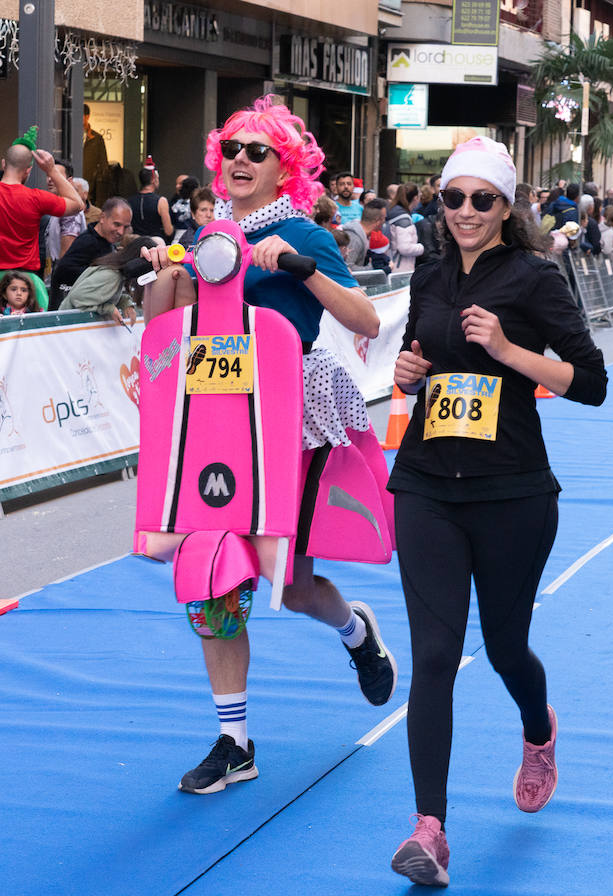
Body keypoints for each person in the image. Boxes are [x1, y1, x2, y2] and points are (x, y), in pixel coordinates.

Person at [136, 94, 394, 796]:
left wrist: (302, 269)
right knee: (213, 581)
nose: (241, 160)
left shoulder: (305, 235)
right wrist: (168, 272)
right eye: (233, 149)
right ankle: (234, 742)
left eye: (259, 151)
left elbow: (366, 315)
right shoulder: (206, 235)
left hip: (285, 429)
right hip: (213, 427)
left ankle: (355, 633)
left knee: (298, 583)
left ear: (286, 168)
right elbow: (160, 328)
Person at [386, 137, 608, 888]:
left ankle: (538, 728)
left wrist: (509, 349)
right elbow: (424, 363)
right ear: (439, 204)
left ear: (507, 208)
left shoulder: (535, 278)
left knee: (506, 647)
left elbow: (592, 381)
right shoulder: (431, 276)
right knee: (434, 655)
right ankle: (430, 830)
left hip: (512, 492)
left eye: (483, 199)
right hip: (425, 485)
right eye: (454, 198)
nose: (466, 212)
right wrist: (411, 373)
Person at [0, 131, 83, 322]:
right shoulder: (36, 197)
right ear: (28, 170)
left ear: (3, 164)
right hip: (27, 286)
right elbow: (77, 204)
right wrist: (51, 170)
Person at [48, 197, 130, 309]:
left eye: (125, 227)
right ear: (102, 218)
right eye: (116, 224)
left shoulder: (107, 243)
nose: (120, 232)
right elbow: (62, 271)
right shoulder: (88, 242)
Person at [128, 166, 173, 241]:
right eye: (157, 178)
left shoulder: (129, 201)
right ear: (153, 180)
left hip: (135, 243)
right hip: (155, 244)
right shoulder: (161, 201)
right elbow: (168, 231)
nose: (158, 181)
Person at [386, 183, 424, 272]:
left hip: (390, 263)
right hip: (400, 268)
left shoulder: (392, 211)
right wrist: (421, 247)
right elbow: (405, 248)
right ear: (415, 198)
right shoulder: (404, 219)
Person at [81, 105, 110, 205]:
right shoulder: (70, 135)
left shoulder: (97, 139)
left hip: (90, 189)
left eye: (81, 115)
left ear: (87, 116)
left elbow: (103, 165)